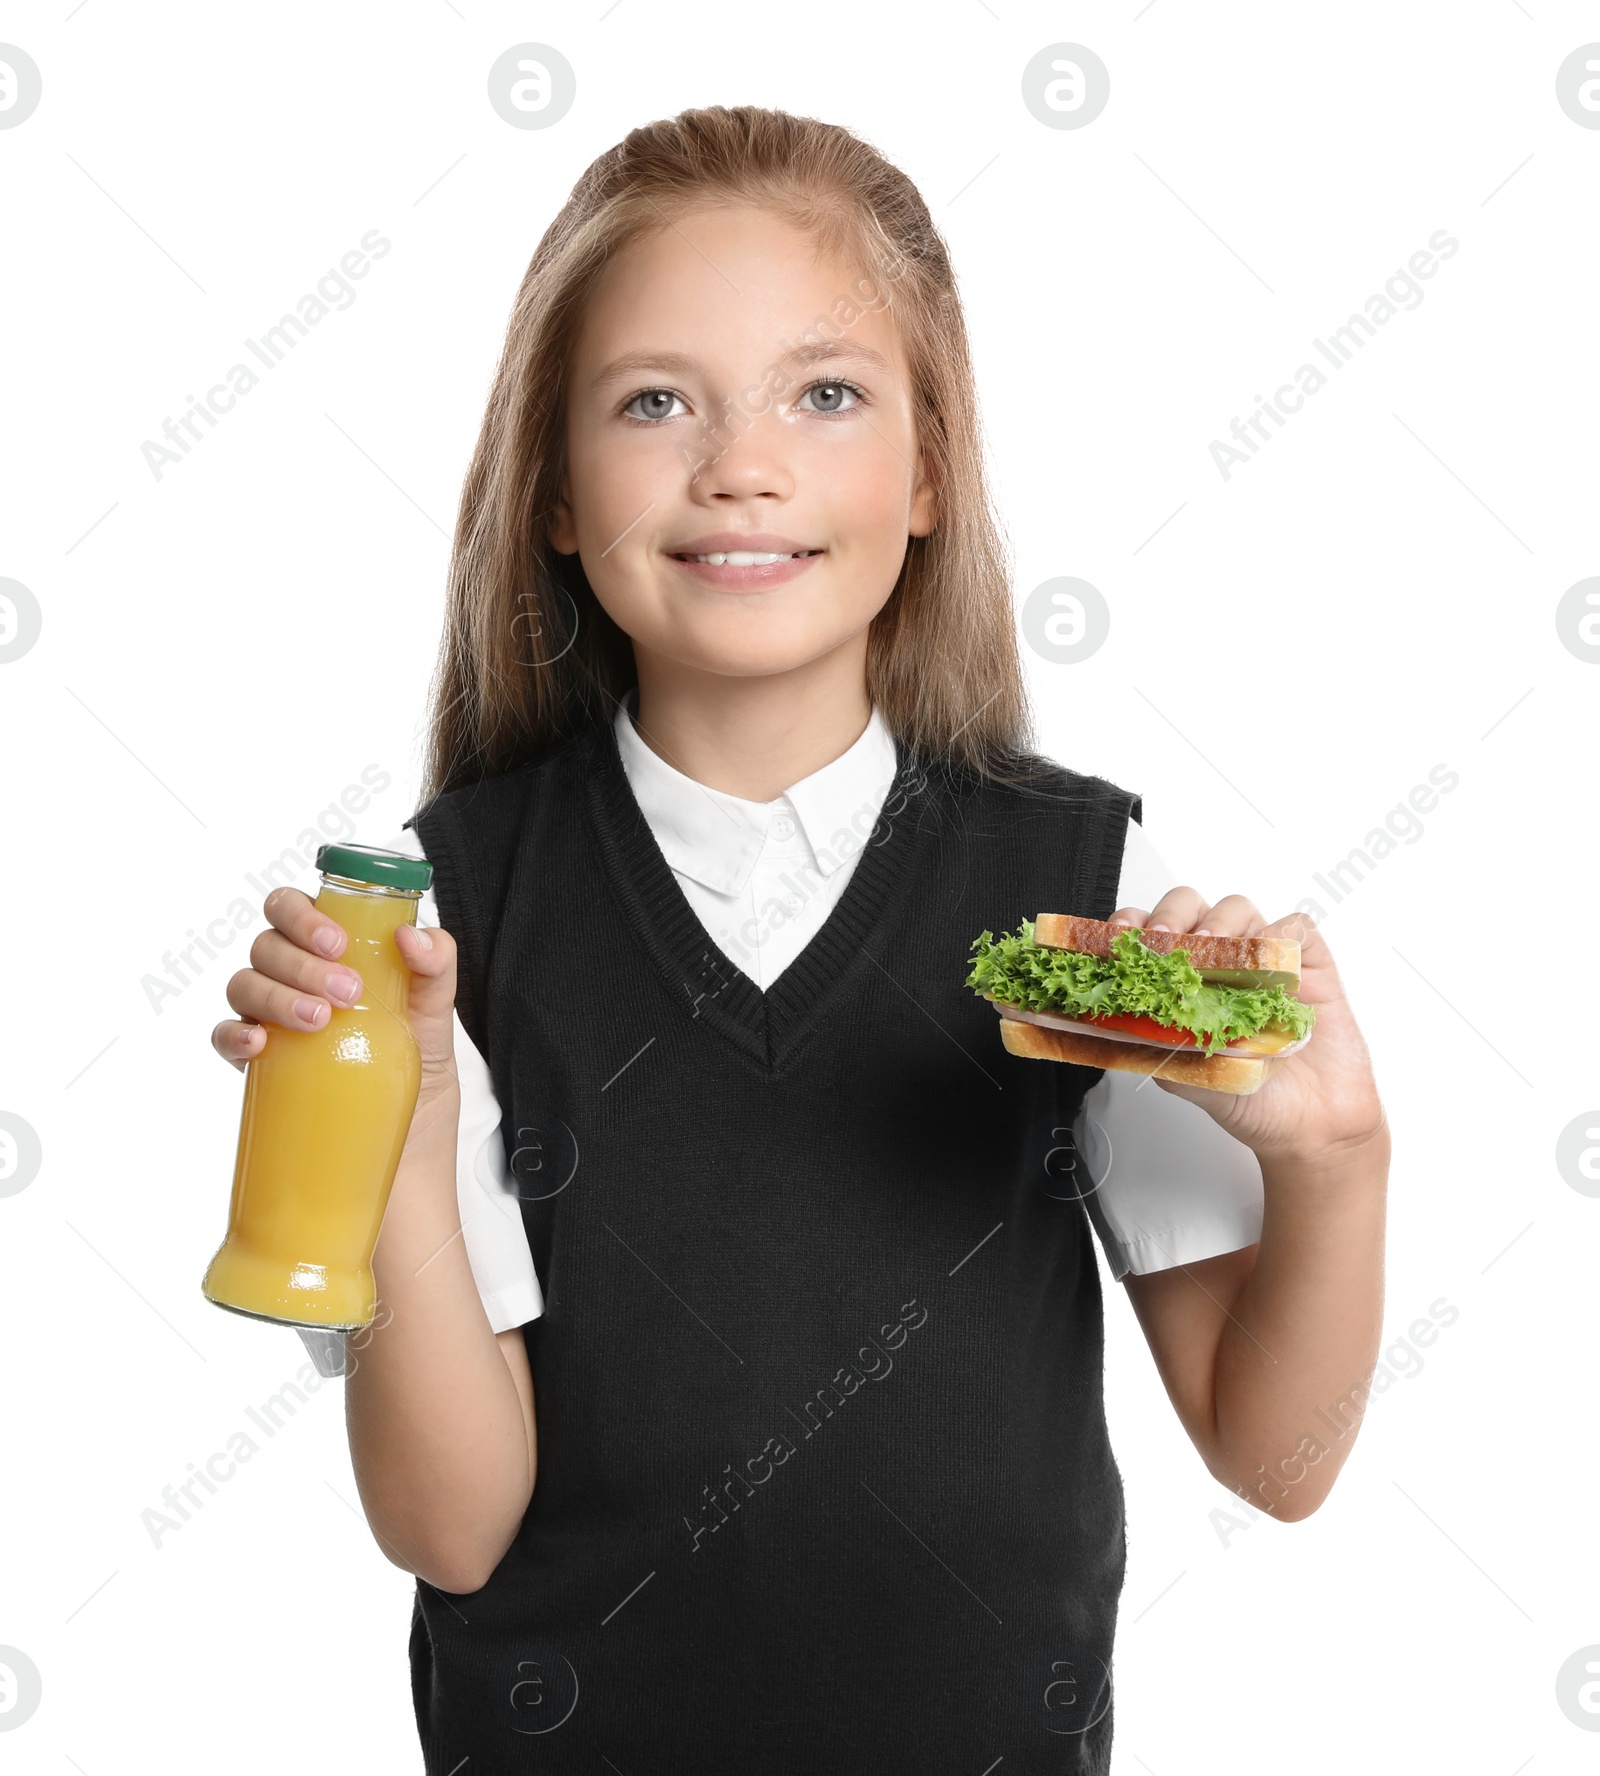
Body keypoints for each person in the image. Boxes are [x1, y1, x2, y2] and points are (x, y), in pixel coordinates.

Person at [212, 105, 1389, 1772]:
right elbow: (451, 1535)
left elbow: (1279, 1462)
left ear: (927, 475)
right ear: (553, 490)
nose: (740, 461)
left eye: (824, 394)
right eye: (653, 402)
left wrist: (1335, 1162)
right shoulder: (429, 931)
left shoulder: (1091, 890)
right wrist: (394, 1136)